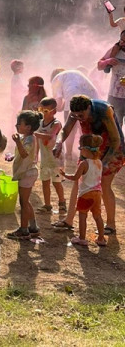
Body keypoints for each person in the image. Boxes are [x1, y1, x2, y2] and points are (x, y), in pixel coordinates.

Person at [52, 95, 125, 235]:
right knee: (79, 180)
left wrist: (101, 164)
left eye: (82, 115)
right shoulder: (75, 113)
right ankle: (68, 220)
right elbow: (66, 130)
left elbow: (115, 140)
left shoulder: (104, 110)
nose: (79, 118)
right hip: (90, 147)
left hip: (112, 148)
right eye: (76, 115)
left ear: (89, 108)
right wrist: (59, 142)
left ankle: (110, 224)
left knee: (104, 183)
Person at [60, 134, 107, 247]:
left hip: (86, 194)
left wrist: (64, 175)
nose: (80, 151)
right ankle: (101, 238)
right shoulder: (99, 162)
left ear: (85, 149)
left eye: (80, 148)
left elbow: (75, 177)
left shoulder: (84, 163)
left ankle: (82, 238)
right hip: (97, 193)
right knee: (97, 216)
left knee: (82, 215)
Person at [7, 110, 42, 240]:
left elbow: (24, 154)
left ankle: (24, 230)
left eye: (19, 124)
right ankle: (33, 227)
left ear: (28, 127)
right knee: (25, 201)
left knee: (23, 202)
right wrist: (12, 157)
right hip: (27, 172)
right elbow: (22, 155)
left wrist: (17, 142)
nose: (16, 125)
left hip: (27, 173)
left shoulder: (30, 139)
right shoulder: (26, 138)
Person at [50, 68, 99, 160]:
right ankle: (90, 152)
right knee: (88, 128)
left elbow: (59, 104)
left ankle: (69, 154)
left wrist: (51, 109)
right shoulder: (73, 73)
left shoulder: (56, 79)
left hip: (73, 99)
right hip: (93, 99)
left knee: (70, 128)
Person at [34, 97, 66, 213]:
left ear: (54, 111)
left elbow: (51, 136)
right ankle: (47, 205)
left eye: (46, 111)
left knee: (56, 182)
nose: (43, 113)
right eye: (41, 110)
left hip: (56, 159)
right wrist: (36, 156)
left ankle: (62, 202)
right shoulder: (40, 123)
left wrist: (36, 134)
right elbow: (38, 143)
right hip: (45, 159)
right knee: (45, 182)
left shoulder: (56, 123)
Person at [97, 29, 125, 129]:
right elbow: (99, 66)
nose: (122, 43)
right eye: (121, 40)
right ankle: (119, 144)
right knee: (115, 127)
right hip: (115, 96)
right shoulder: (114, 50)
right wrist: (108, 61)